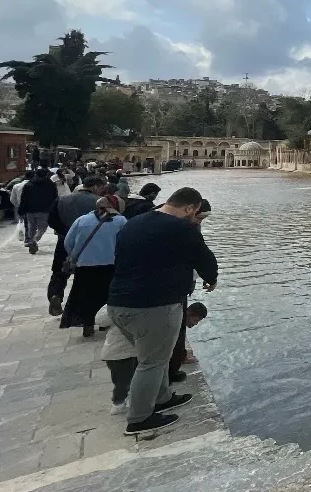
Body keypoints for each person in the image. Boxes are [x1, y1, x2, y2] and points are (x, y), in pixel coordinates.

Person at [108, 187, 218, 436]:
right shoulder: (181, 228)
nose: (195, 217)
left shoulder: (134, 223)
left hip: (118, 304)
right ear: (190, 208)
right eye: (195, 212)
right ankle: (139, 419)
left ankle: (163, 397)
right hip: (152, 307)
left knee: (152, 358)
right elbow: (204, 259)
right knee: (152, 362)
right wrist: (211, 279)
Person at [103, 302, 208, 417]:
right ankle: (129, 410)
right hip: (120, 354)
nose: (196, 324)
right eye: (196, 321)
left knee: (131, 378)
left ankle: (134, 405)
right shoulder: (135, 312)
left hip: (131, 351)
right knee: (125, 381)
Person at [60, 196, 127, 337]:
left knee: (86, 296)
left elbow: (67, 242)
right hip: (111, 265)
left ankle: (88, 324)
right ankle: (107, 323)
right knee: (108, 295)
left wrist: (75, 255)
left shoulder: (81, 220)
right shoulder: (121, 221)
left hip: (85, 266)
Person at [46, 176, 109, 316]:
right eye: (101, 188)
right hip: (90, 244)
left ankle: (55, 295)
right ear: (95, 187)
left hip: (64, 241)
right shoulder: (99, 203)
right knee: (87, 275)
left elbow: (51, 220)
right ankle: (83, 309)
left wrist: (65, 232)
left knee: (60, 272)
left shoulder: (62, 199)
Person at [169, 200, 210, 383]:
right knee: (177, 320)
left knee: (178, 320)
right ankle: (177, 359)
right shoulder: (184, 229)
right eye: (200, 217)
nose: (201, 222)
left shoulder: (186, 227)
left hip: (184, 279)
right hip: (177, 282)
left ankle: (179, 356)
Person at [18, 168, 58, 255]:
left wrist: (21, 211)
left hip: (30, 210)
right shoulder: (51, 185)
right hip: (44, 210)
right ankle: (34, 240)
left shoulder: (29, 184)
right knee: (42, 228)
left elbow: (24, 199)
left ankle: (31, 240)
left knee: (31, 226)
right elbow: (55, 198)